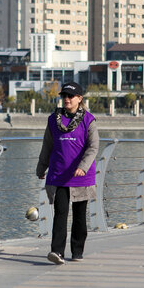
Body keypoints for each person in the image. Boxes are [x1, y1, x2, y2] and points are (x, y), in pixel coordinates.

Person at [36, 81, 99, 265]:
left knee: (79, 215)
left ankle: (77, 251)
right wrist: (41, 168)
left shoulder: (89, 120)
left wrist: (83, 166)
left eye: (70, 96)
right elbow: (47, 145)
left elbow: (93, 147)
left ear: (80, 99)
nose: (66, 99)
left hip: (81, 176)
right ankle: (57, 252)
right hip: (59, 174)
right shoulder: (53, 120)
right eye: (64, 96)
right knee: (60, 212)